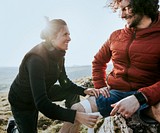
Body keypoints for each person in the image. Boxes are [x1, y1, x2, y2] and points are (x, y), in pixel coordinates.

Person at [60, 0, 160, 132]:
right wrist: (100, 86)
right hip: (115, 94)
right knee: (75, 111)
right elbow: (98, 62)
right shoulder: (116, 36)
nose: (121, 15)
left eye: (126, 9)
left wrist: (140, 97)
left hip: (149, 96)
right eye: (120, 9)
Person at [8, 18, 99, 133]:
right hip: (23, 101)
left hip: (43, 91)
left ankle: (72, 125)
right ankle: (13, 128)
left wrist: (84, 90)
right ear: (52, 38)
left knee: (72, 93)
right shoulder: (36, 59)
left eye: (69, 34)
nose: (69, 38)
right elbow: (42, 104)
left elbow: (65, 83)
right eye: (65, 34)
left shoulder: (59, 55)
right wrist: (75, 115)